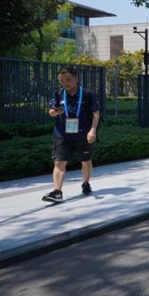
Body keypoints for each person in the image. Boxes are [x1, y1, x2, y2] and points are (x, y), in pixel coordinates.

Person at [42, 67, 101, 203]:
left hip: (83, 133)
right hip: (62, 133)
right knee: (59, 162)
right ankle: (57, 192)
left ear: (76, 78)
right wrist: (54, 112)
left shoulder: (87, 94)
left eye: (68, 80)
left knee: (85, 161)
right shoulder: (58, 93)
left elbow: (95, 114)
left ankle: (85, 183)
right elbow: (51, 111)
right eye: (61, 81)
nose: (65, 83)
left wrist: (92, 130)